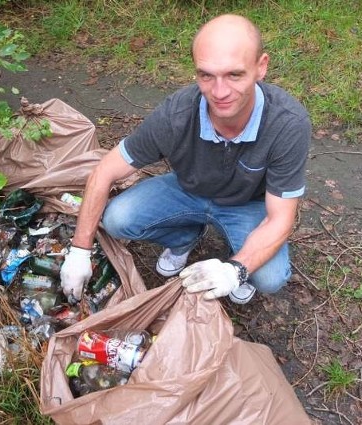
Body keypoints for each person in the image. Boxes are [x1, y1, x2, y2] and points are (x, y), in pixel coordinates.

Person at [60, 14, 311, 305]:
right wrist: (79, 250)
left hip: (248, 205)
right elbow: (104, 171)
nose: (219, 92)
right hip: (188, 190)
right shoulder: (176, 114)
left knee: (269, 277)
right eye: (207, 75)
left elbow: (281, 217)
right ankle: (184, 237)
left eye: (234, 75)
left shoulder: (287, 124)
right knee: (117, 218)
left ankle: (240, 267)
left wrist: (236, 269)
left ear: (261, 67)